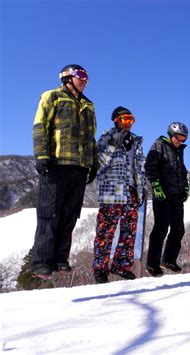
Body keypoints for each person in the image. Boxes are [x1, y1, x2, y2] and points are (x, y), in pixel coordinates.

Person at [31, 64, 98, 279]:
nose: (85, 80)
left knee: (70, 215)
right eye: (81, 76)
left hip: (79, 167)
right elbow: (41, 126)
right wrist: (42, 156)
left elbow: (91, 137)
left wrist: (93, 163)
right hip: (56, 164)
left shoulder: (89, 105)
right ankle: (42, 261)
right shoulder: (52, 96)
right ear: (67, 77)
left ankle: (60, 258)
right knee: (49, 213)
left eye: (87, 77)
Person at [92, 107, 146, 283]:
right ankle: (100, 268)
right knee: (106, 231)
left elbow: (139, 168)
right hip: (111, 191)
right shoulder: (107, 137)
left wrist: (141, 187)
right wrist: (114, 143)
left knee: (129, 231)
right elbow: (99, 163)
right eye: (125, 119)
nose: (128, 123)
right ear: (116, 120)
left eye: (131, 120)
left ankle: (121, 265)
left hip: (131, 192)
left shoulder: (136, 141)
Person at [144, 122, 189, 277]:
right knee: (161, 228)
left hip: (176, 194)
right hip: (162, 194)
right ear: (171, 135)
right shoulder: (159, 145)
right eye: (179, 137)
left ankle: (168, 259)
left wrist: (185, 187)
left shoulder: (179, 151)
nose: (181, 141)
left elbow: (182, 170)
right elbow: (149, 166)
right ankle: (152, 263)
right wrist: (156, 186)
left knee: (179, 229)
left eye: (184, 138)